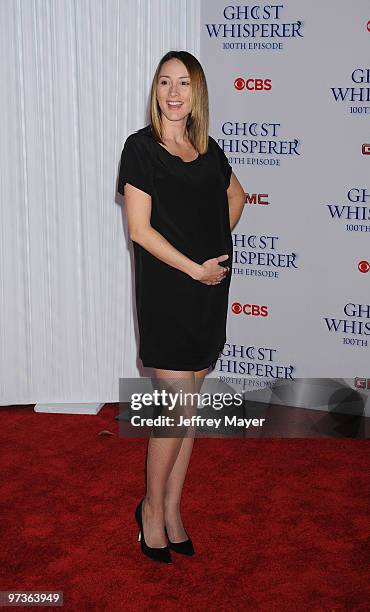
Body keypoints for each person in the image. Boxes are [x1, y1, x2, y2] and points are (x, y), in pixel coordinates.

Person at [117, 50, 245, 563]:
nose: (174, 93)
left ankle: (172, 510)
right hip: (169, 293)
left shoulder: (208, 150)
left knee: (190, 409)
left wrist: (214, 245)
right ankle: (149, 511)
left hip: (208, 291)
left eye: (185, 84)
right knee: (172, 412)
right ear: (156, 91)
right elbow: (139, 230)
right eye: (166, 82)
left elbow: (237, 197)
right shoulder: (140, 150)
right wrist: (193, 266)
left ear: (197, 94)